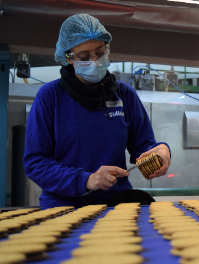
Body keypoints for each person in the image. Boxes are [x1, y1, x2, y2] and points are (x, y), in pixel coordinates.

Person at [23, 14, 171, 209]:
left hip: (116, 207)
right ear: (68, 59)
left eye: (100, 52)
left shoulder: (124, 94)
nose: (94, 61)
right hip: (64, 209)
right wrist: (86, 180)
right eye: (84, 57)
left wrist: (160, 151)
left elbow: (143, 147)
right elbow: (36, 162)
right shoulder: (50, 96)